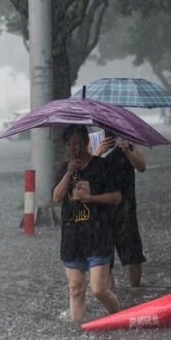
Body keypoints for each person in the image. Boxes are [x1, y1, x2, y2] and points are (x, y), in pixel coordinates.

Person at [52, 125, 122, 322]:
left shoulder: (102, 166)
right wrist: (68, 173)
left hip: (98, 235)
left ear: (86, 142)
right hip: (72, 236)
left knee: (99, 289)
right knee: (76, 289)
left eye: (77, 143)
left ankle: (120, 319)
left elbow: (117, 197)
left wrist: (91, 198)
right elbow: (56, 197)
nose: (73, 148)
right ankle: (78, 331)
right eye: (69, 144)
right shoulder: (64, 168)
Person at [90, 129, 147, 287]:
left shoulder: (130, 138)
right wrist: (97, 153)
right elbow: (86, 173)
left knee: (134, 257)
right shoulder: (93, 139)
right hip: (101, 209)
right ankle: (112, 298)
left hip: (126, 208)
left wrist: (127, 151)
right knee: (105, 261)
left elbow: (142, 167)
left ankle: (134, 294)